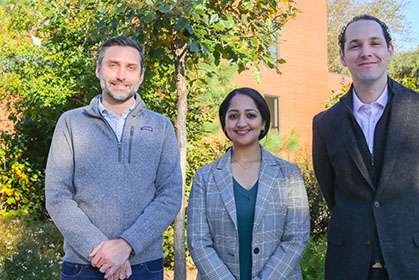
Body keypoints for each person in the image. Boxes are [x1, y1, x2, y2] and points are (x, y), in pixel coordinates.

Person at [312, 15, 419, 280]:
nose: (365, 52)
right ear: (343, 57)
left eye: (375, 43)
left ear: (390, 50)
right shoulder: (325, 124)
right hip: (348, 266)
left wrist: (411, 230)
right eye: (355, 45)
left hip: (415, 263)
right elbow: (331, 192)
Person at [45, 36, 182, 280]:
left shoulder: (160, 126)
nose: (121, 75)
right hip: (83, 266)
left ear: (140, 76)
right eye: (113, 65)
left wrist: (126, 245)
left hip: (145, 266)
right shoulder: (71, 123)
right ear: (99, 70)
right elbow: (57, 196)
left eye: (131, 68)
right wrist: (101, 251)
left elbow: (170, 195)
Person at [187, 88, 310, 280]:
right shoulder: (205, 177)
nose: (241, 123)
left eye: (250, 115)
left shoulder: (288, 174)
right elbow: (198, 242)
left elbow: (296, 238)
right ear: (225, 123)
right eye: (233, 116)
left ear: (263, 123)